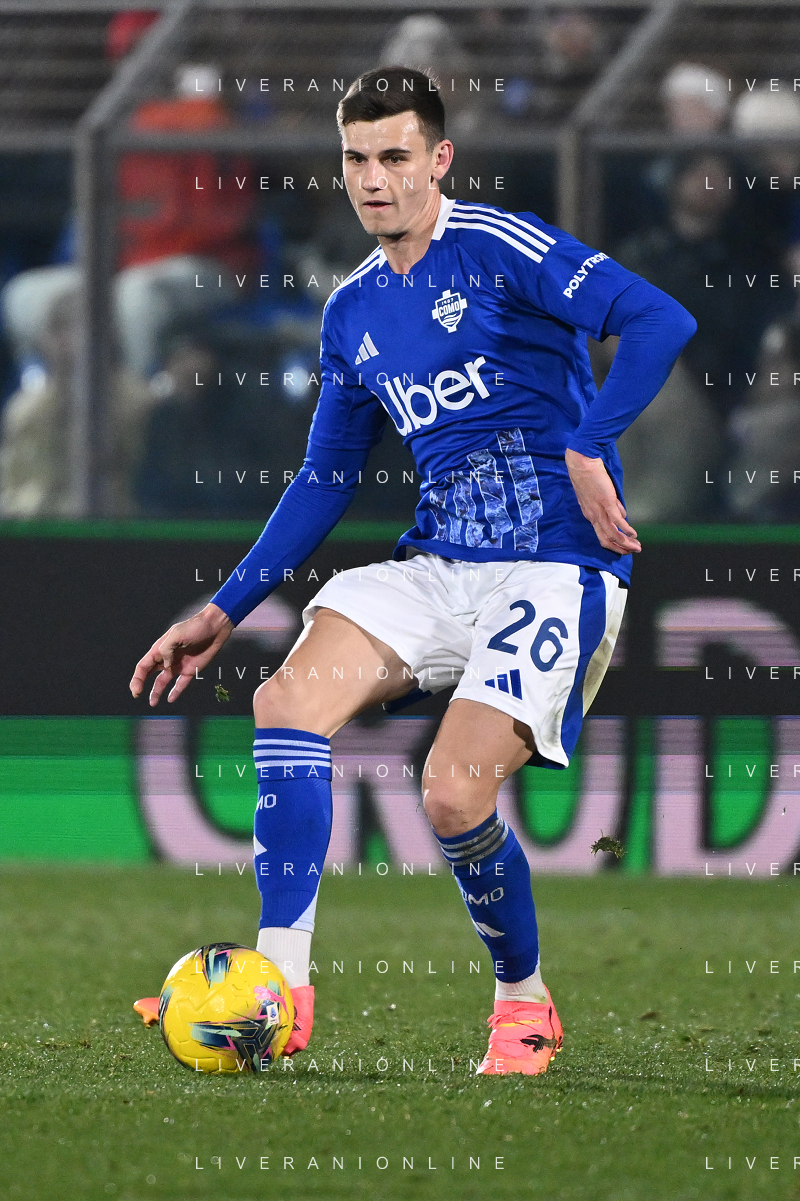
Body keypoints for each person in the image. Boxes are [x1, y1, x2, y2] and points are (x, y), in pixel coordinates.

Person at [129, 67, 696, 1076]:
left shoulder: (500, 247)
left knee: (451, 796)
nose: (372, 179)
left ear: (439, 160)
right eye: (356, 158)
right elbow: (326, 476)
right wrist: (226, 605)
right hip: (440, 562)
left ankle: (523, 1002)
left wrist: (587, 441)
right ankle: (280, 986)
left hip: (556, 564)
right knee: (284, 701)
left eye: (395, 156)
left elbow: (659, 319)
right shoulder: (352, 310)